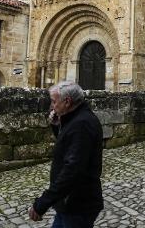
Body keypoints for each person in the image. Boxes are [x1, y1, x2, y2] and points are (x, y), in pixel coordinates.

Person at [28, 81, 104, 228]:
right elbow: (68, 148)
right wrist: (57, 126)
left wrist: (42, 203)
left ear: (67, 101)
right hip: (70, 202)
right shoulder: (76, 119)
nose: (52, 106)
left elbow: (73, 169)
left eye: (54, 101)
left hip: (78, 204)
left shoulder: (81, 124)